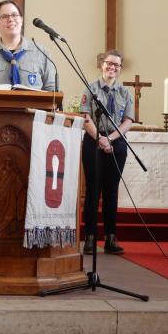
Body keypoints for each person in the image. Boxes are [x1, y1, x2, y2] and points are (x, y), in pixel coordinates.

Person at [81, 50, 134, 255]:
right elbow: (85, 116)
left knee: (111, 190)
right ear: (102, 64)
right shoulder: (91, 88)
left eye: (117, 65)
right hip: (93, 140)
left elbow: (128, 120)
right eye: (109, 64)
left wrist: (110, 139)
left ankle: (111, 237)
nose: (112, 68)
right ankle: (90, 237)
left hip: (117, 142)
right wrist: (100, 139)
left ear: (120, 69)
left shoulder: (124, 92)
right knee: (93, 190)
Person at [0, 0, 55, 91]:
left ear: (21, 20)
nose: (10, 19)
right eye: (4, 16)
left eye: (15, 15)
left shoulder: (42, 52)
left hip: (31, 106)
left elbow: (51, 91)